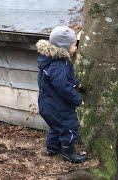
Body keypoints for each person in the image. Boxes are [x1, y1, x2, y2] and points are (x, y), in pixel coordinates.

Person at [36, 26, 87, 163]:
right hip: (57, 106)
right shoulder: (59, 64)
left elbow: (65, 79)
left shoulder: (50, 60)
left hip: (47, 104)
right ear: (64, 47)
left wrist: (76, 84)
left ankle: (52, 148)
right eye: (74, 45)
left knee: (56, 127)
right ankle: (68, 154)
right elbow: (63, 87)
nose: (76, 47)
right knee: (69, 126)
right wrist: (77, 99)